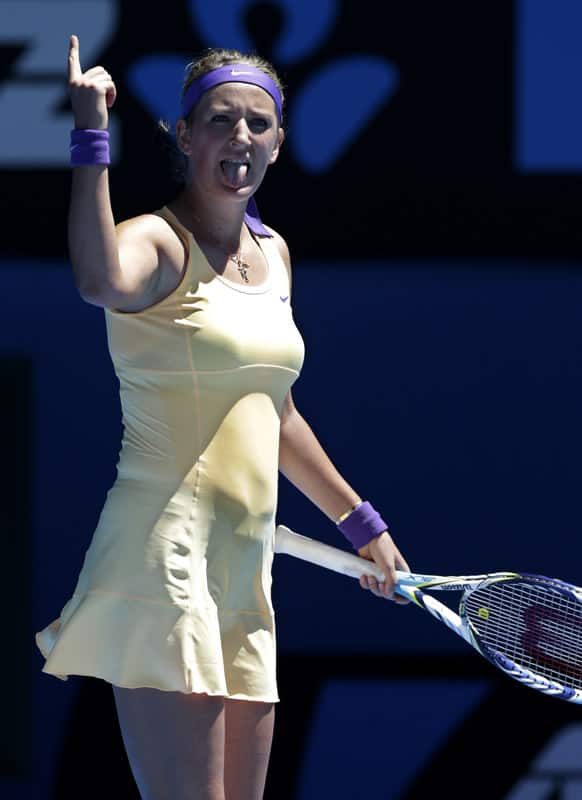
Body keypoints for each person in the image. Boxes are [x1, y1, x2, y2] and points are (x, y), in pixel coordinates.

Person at [36, 35, 411, 800]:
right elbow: (99, 279)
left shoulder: (274, 258)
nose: (239, 138)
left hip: (243, 572)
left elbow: (277, 413)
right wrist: (89, 136)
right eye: (219, 120)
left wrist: (362, 523)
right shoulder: (156, 243)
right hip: (162, 563)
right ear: (183, 135)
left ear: (277, 142)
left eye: (257, 124)